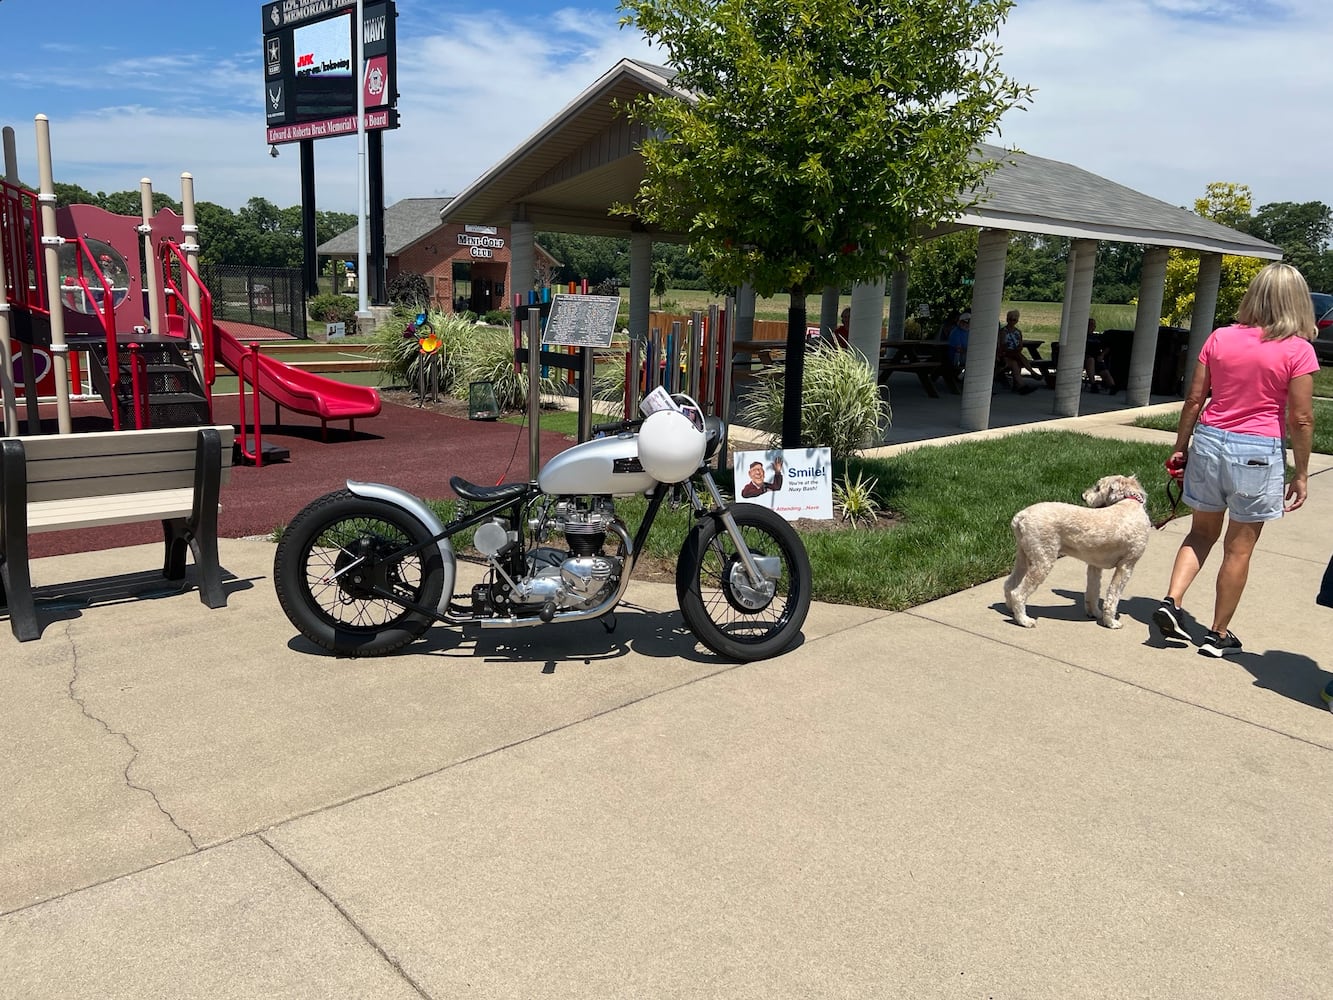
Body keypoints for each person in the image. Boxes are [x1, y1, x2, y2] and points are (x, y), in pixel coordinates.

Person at [1152, 262, 1318, 657]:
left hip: (1209, 441)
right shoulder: (1297, 349)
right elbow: (1301, 418)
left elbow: (1195, 398)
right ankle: (1218, 633)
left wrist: (1181, 445)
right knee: (1238, 548)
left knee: (1200, 532)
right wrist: (1302, 472)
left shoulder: (1221, 338)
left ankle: (1171, 601)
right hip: (1256, 452)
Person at [997, 309, 1036, 394]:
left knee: (1016, 362)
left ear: (1017, 321)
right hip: (1005, 354)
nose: (1012, 321)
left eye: (1014, 319)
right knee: (1017, 357)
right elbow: (1002, 346)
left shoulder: (1018, 332)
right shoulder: (1003, 331)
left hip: (1015, 354)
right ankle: (1031, 373)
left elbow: (1020, 345)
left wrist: (1018, 348)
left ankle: (1020, 386)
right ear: (1007, 319)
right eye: (1010, 319)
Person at [1083, 317, 1116, 393]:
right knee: (1091, 360)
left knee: (1103, 369)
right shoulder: (1083, 336)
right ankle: (1093, 384)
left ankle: (1112, 386)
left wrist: (1102, 355)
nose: (1092, 326)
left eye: (1094, 325)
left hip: (1097, 357)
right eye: (1090, 324)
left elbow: (1107, 347)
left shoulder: (1098, 337)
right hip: (1086, 357)